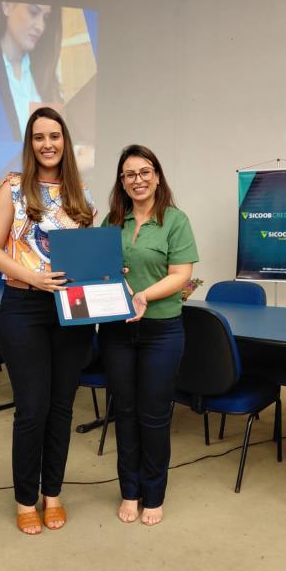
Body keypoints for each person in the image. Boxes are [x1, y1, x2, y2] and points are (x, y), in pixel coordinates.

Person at [0, 106, 95, 535]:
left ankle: (53, 494)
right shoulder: (12, 188)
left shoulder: (80, 196)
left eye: (54, 136)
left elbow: (85, 258)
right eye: (38, 137)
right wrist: (32, 277)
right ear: (30, 144)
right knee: (32, 409)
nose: (47, 144)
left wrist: (107, 270)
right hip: (24, 306)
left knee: (62, 407)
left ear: (65, 141)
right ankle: (25, 499)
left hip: (72, 309)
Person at [99, 144, 198, 525]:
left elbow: (181, 274)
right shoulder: (113, 222)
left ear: (156, 177)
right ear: (122, 182)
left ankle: (153, 495)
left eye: (144, 172)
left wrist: (143, 295)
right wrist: (112, 278)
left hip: (162, 331)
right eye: (129, 174)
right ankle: (130, 491)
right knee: (124, 412)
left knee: (154, 415)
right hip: (117, 330)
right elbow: (101, 268)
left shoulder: (175, 220)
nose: (137, 180)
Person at [0, 1, 62, 140]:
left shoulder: (45, 73)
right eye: (33, 12)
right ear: (7, 6)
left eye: (46, 18)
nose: (40, 27)